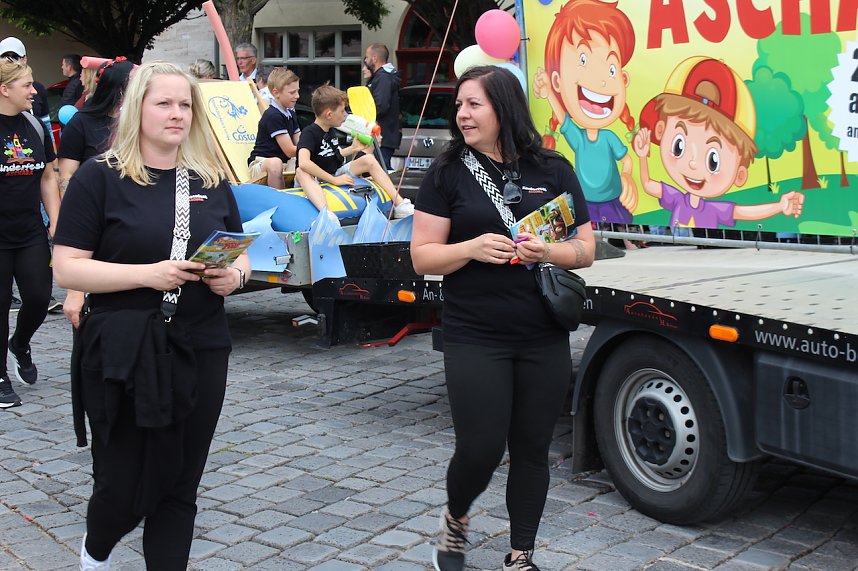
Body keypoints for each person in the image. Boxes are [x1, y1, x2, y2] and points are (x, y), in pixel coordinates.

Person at [52, 61, 249, 570]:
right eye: (164, 103)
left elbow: (238, 248)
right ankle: (95, 555)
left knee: (181, 482)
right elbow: (67, 268)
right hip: (124, 346)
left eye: (185, 104)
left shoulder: (210, 177)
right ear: (136, 107)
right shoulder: (100, 177)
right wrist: (148, 274)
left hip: (201, 342)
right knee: (122, 482)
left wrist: (235, 276)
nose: (177, 114)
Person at [410, 65, 595, 571]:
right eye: (460, 104)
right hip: (476, 334)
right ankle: (456, 520)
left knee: (533, 449)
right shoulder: (447, 172)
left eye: (475, 104)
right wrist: (468, 248)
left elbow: (586, 249)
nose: (462, 114)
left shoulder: (552, 169)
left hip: (542, 335)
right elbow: (423, 257)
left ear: (504, 108)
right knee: (481, 448)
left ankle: (521, 554)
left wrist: (549, 253)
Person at [633, 56, 804, 229]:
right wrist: (642, 156)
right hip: (679, 251)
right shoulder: (676, 198)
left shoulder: (714, 209)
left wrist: (781, 206)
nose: (692, 163)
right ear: (661, 130)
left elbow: (745, 212)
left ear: (740, 174)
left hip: (710, 251)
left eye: (713, 161)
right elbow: (648, 185)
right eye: (679, 147)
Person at [533, 0, 638, 224]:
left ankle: (627, 239)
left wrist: (627, 175)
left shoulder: (609, 137)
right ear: (557, 81)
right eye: (583, 60)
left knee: (619, 224)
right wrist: (549, 94)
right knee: (589, 229)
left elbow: (626, 159)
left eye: (611, 69)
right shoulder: (579, 139)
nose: (600, 81)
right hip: (586, 201)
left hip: (612, 199)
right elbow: (563, 117)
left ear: (624, 78)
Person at [0, 58, 62, 408]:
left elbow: (48, 176)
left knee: (39, 298)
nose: (35, 90)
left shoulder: (35, 127)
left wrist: (55, 219)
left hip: (29, 231)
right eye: (27, 84)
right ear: (4, 89)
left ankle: (19, 343)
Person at [57, 57, 135, 329]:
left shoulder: (137, 124)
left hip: (130, 216)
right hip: (93, 217)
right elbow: (66, 176)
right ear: (121, 88)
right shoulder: (82, 123)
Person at [295, 84, 414, 219]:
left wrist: (353, 149)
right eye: (342, 111)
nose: (345, 115)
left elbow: (331, 156)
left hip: (333, 173)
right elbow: (304, 163)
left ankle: (399, 204)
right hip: (314, 179)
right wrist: (334, 180)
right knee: (301, 172)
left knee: (368, 159)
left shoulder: (331, 131)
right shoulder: (309, 133)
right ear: (329, 114)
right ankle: (326, 215)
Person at [247, 67, 301, 188]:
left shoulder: (290, 114)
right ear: (276, 93)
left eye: (297, 91)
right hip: (262, 163)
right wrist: (310, 148)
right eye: (292, 92)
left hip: (285, 164)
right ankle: (279, 199)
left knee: (305, 161)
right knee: (276, 162)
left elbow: (300, 141)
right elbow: (289, 150)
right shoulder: (273, 116)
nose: (297, 96)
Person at [363, 43, 401, 170]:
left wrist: (363, 117)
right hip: (385, 134)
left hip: (382, 135)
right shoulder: (384, 76)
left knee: (378, 172)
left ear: (374, 58)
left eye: (367, 57)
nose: (366, 61)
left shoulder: (382, 78)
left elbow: (381, 106)